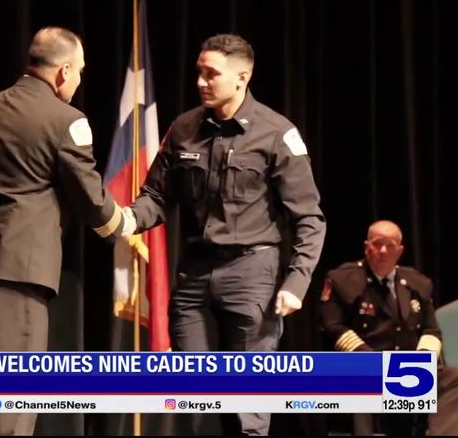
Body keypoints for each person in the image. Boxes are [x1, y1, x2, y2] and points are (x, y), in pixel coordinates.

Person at [123, 33, 327, 436]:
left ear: (242, 77)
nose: (200, 82)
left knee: (248, 403)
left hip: (253, 274)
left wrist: (297, 281)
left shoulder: (276, 133)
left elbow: (309, 218)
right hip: (195, 275)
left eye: (211, 74)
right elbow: (155, 196)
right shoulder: (183, 128)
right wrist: (125, 219)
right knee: (195, 387)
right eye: (199, 72)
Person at [0, 26, 134, 436]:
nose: (80, 81)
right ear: (64, 71)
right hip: (20, 276)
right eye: (80, 72)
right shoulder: (67, 120)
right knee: (14, 399)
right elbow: (90, 199)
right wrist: (124, 223)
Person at [320, 220, 458, 435]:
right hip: (366, 366)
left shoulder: (417, 284)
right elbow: (333, 327)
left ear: (399, 251)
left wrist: (421, 362)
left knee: (457, 378)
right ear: (366, 247)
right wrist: (370, 359)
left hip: (407, 371)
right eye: (377, 244)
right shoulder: (343, 279)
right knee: (356, 377)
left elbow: (431, 330)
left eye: (389, 245)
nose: (383, 251)